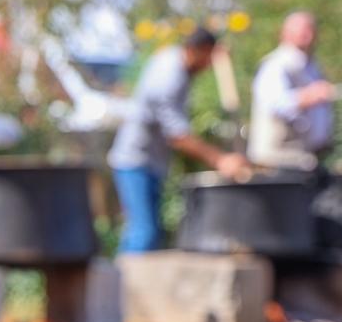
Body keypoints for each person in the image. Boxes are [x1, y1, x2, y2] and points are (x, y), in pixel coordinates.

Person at [107, 28, 250, 253]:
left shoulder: (176, 60)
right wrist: (220, 159)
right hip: (135, 161)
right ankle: (122, 287)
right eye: (209, 57)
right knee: (144, 233)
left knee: (147, 232)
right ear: (198, 51)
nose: (210, 65)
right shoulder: (168, 76)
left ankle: (123, 283)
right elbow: (177, 136)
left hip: (151, 163)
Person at [248, 12, 335, 170]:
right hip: (277, 162)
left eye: (310, 30)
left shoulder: (311, 66)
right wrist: (310, 96)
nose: (307, 35)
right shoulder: (276, 64)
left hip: (304, 158)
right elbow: (275, 103)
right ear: (285, 33)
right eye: (302, 30)